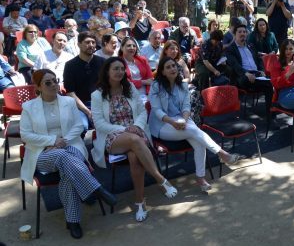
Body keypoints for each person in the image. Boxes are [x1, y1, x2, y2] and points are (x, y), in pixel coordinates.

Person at [20, 69, 117, 239]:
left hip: (71, 146)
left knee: (67, 169)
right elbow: (26, 135)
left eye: (55, 80)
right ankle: (96, 189)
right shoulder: (29, 107)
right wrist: (52, 141)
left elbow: (79, 126)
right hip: (43, 153)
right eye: (48, 82)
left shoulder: (68, 102)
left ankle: (73, 221)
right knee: (63, 157)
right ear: (38, 86)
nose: (54, 85)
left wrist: (62, 141)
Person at [91, 57, 177, 222]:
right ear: (107, 71)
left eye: (122, 69)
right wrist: (125, 129)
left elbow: (142, 112)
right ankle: (160, 179)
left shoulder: (129, 87)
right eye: (115, 68)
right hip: (113, 135)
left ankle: (139, 202)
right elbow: (99, 124)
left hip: (136, 131)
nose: (119, 72)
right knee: (134, 141)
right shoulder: (97, 95)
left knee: (134, 156)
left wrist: (136, 126)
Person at [148, 57, 238, 191]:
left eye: (174, 66)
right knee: (195, 132)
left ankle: (201, 178)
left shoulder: (183, 85)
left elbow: (186, 107)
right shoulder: (156, 86)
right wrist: (173, 122)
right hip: (162, 124)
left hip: (183, 121)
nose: (173, 68)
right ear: (162, 72)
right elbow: (157, 111)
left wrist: (183, 120)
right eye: (168, 67)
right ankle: (221, 153)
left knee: (199, 141)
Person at [226, 24, 274, 121]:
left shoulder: (251, 46)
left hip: (256, 74)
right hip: (242, 76)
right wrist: (246, 73)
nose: (242, 34)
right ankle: (270, 116)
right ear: (235, 34)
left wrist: (262, 71)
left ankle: (270, 112)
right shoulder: (231, 49)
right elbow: (235, 65)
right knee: (268, 85)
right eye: (239, 32)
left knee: (271, 83)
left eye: (244, 32)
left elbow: (259, 60)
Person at [63, 32, 106, 130]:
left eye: (93, 42)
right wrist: (88, 112)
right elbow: (70, 93)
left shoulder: (103, 62)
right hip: (80, 106)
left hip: (102, 104)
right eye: (87, 42)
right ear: (78, 44)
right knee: (82, 126)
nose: (91, 45)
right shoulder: (70, 65)